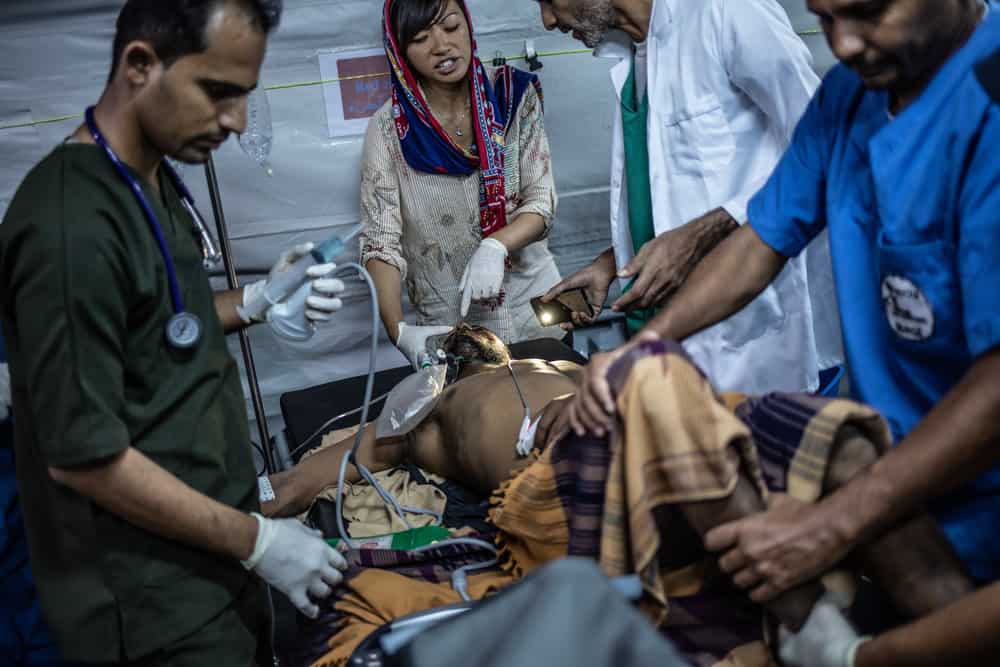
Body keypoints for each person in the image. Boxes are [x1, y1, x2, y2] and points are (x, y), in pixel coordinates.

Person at [564, 0, 1000, 643]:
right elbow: (762, 237)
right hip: (905, 490)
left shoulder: (986, 111)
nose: (845, 44)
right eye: (824, 18)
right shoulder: (850, 98)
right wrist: (649, 345)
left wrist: (833, 524)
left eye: (869, 13)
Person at [267, 330, 969, 666]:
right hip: (558, 471)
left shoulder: (549, 360)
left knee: (842, 447)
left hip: (647, 433)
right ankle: (811, 626)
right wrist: (258, 521)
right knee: (654, 380)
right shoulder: (421, 411)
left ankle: (962, 636)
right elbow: (325, 469)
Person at [0, 1, 351, 663]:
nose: (236, 122)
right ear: (140, 64)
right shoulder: (70, 225)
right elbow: (84, 459)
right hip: (149, 605)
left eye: (245, 96)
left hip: (207, 567)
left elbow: (159, 317)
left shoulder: (149, 180)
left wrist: (254, 301)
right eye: (217, 92)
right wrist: (257, 539)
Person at [536, 0, 841, 396]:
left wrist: (703, 234)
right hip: (679, 344)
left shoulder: (726, 12)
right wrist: (612, 264)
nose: (547, 20)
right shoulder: (635, 55)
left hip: (764, 336)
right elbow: (674, 193)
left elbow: (826, 146)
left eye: (547, 0)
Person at [360, 0, 564, 370]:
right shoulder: (389, 131)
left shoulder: (513, 99)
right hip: (455, 332)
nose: (441, 46)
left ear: (468, 25)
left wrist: (495, 245)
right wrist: (399, 331)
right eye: (421, 38)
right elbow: (381, 243)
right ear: (400, 52)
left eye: (451, 27)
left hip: (534, 310)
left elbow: (540, 202)